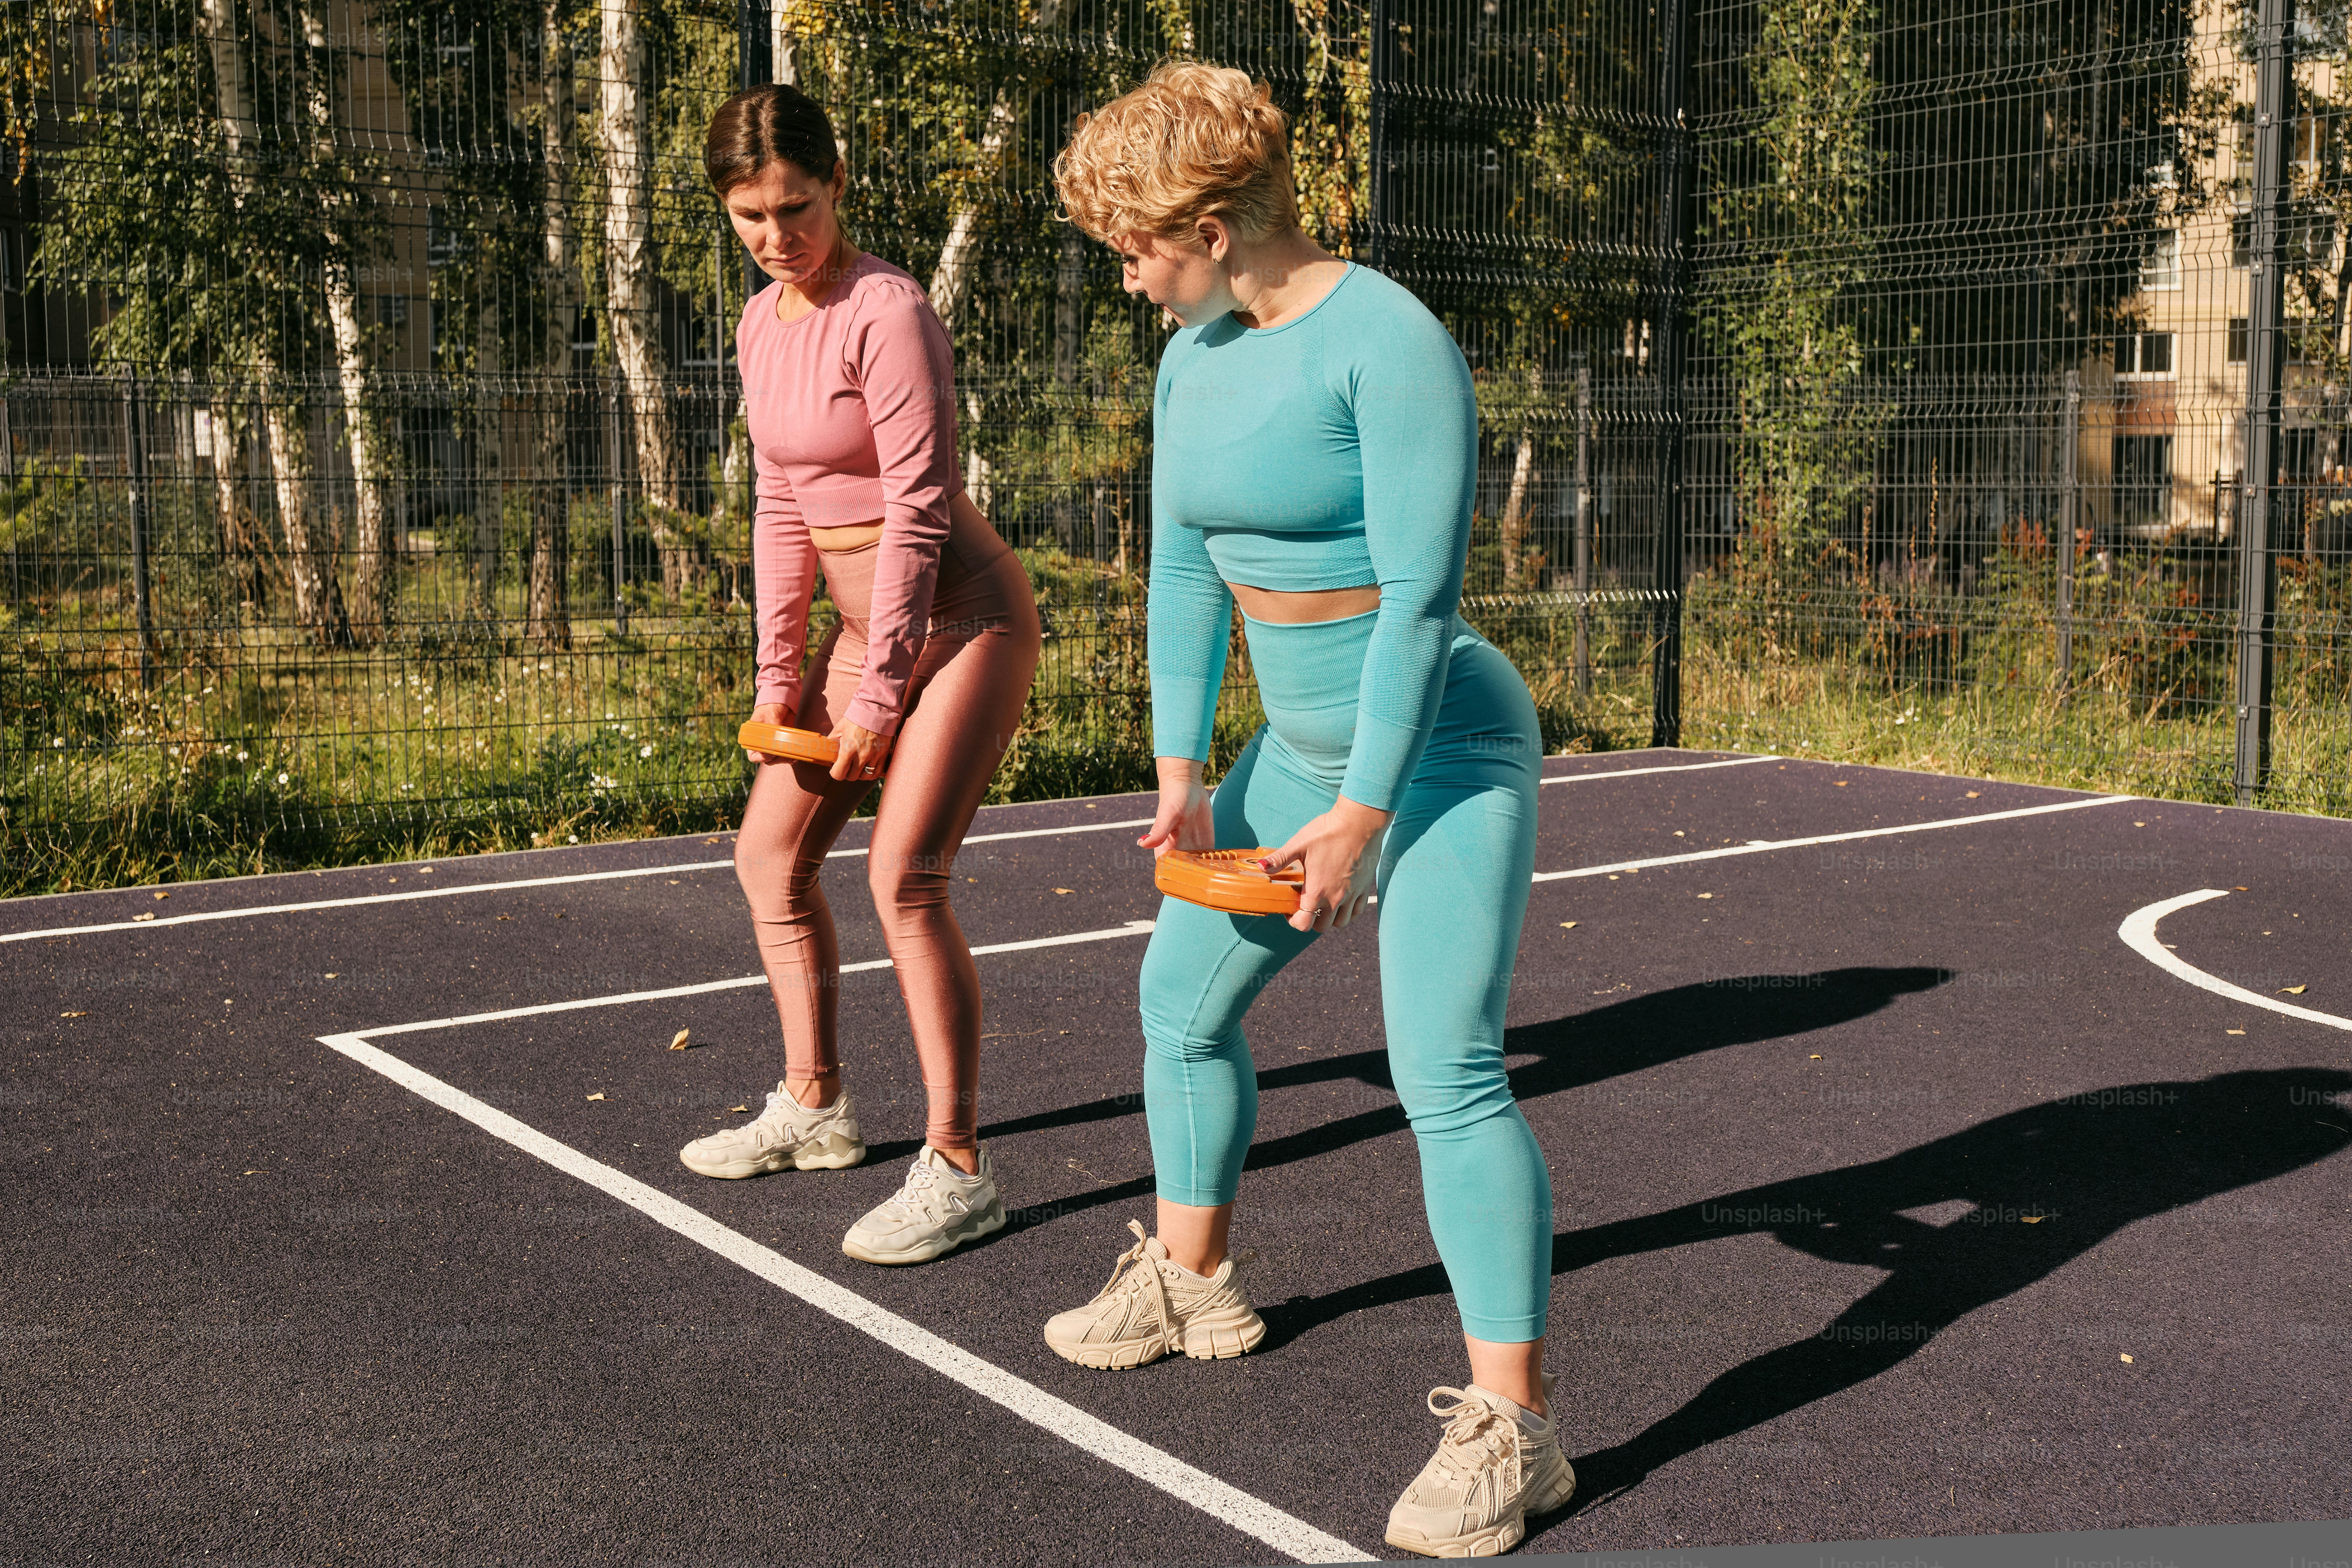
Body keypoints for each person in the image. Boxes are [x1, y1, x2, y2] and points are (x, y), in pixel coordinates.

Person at [1042, 63, 1570, 1556]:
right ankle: (1196, 1282)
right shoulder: (1194, 353)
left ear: (1210, 224)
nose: (1127, 280)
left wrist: (1359, 810)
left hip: (1444, 753)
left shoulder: (1388, 344)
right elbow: (1182, 566)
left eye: (1136, 251)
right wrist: (1178, 765)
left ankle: (1515, 1429)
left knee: (1446, 1071)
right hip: (1293, 748)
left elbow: (1419, 602)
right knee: (1179, 1006)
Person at [678, 84, 1042, 1269]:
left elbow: (921, 510)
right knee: (767, 859)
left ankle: (957, 1165)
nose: (778, 236)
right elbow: (782, 501)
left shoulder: (887, 311)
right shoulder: (760, 324)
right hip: (861, 634)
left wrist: (879, 691)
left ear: (837, 186)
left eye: (796, 206)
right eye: (750, 217)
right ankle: (818, 1106)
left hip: (966, 622)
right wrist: (780, 677)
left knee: (906, 877)